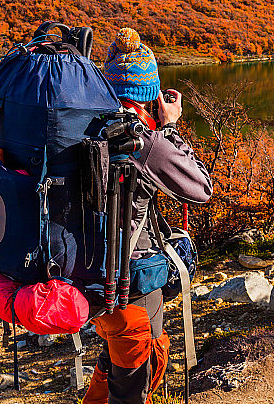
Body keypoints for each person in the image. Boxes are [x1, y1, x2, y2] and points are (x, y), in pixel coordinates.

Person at [82, 27, 212, 404]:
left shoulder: (84, 128)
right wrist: (169, 127)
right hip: (131, 282)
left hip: (83, 274)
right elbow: (200, 188)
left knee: (114, 361)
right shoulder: (140, 139)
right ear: (152, 95)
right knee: (138, 375)